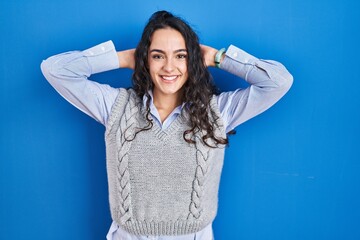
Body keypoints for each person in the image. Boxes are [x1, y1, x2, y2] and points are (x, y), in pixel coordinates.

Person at [41, 10, 293, 240]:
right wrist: (124, 58)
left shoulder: (218, 111)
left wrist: (218, 57)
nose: (169, 67)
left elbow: (278, 82)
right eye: (158, 56)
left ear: (192, 60)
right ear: (145, 60)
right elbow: (55, 70)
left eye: (181, 56)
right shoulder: (116, 106)